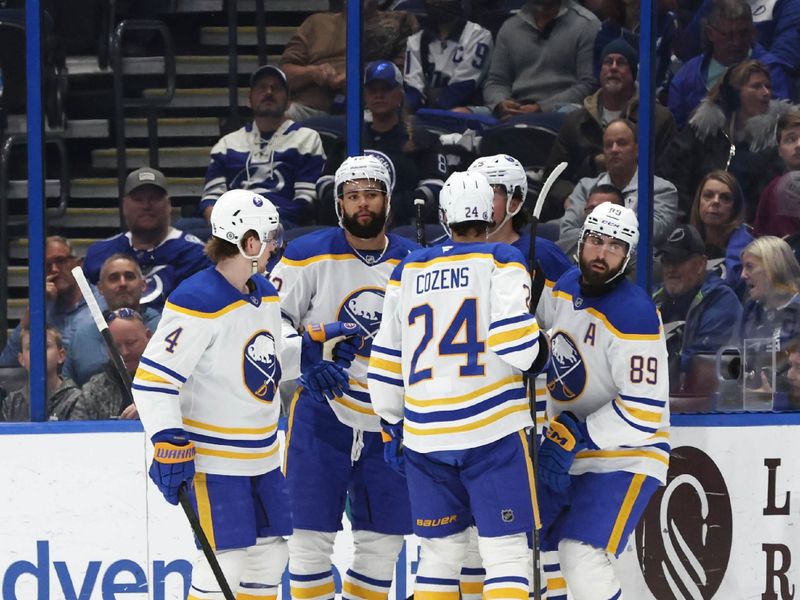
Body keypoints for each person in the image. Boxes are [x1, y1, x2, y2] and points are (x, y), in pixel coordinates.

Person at [133, 188, 351, 598]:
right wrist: (166, 438)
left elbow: (263, 358)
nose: (274, 247)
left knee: (270, 557)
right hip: (217, 459)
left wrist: (310, 350)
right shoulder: (196, 299)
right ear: (249, 242)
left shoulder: (264, 292)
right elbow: (155, 379)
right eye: (269, 238)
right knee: (225, 562)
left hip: (263, 455)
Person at [368, 169, 549, 600]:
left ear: (445, 217)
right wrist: (540, 352)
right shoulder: (502, 259)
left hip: (426, 435)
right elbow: (515, 342)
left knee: (438, 558)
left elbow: (387, 357)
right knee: (504, 555)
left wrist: (392, 421)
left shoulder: (407, 268)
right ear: (489, 214)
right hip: (492, 432)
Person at [270, 155, 417, 600]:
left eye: (371, 194)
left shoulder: (415, 261)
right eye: (352, 196)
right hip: (321, 410)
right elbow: (267, 329)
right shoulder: (305, 254)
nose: (362, 204)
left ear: (388, 201)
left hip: (392, 419)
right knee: (307, 541)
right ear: (339, 204)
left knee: (382, 544)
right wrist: (306, 359)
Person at [538, 202, 669, 599]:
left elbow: (644, 411)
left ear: (628, 256)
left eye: (615, 246)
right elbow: (539, 344)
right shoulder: (561, 288)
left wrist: (579, 435)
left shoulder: (636, 316)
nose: (602, 253)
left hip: (627, 454)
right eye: (596, 241)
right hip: (566, 449)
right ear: (581, 241)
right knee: (540, 552)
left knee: (580, 554)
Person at [544, 38, 676, 217]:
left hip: (638, 210)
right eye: (608, 62)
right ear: (600, 71)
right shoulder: (575, 121)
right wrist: (570, 199)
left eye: (621, 63)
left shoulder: (657, 119)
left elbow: (667, 175)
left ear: (633, 73)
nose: (613, 67)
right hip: (584, 209)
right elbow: (554, 178)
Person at [201, 65, 326, 229]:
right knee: (186, 231)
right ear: (249, 100)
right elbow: (211, 198)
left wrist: (262, 222)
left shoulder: (306, 138)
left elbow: (305, 200)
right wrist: (222, 224)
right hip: (231, 225)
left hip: (282, 224)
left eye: (276, 88)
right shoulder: (226, 144)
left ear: (289, 102)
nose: (268, 92)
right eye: (262, 87)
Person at [665, 60, 791, 220]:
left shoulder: (774, 139)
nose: (766, 93)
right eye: (757, 86)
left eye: (768, 86)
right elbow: (675, 175)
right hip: (694, 224)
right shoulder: (702, 130)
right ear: (734, 94)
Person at [83, 167, 211, 312]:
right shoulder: (99, 254)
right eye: (138, 199)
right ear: (124, 205)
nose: (146, 206)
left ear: (168, 204)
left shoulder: (195, 255)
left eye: (154, 198)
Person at [558, 119, 678, 259]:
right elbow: (567, 233)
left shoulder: (661, 190)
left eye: (622, 143)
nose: (614, 150)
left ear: (637, 150)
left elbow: (651, 234)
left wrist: (595, 233)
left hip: (637, 270)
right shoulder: (585, 187)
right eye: (608, 145)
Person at [280, 0, 418, 120]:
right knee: (282, 116)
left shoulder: (399, 22)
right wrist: (312, 73)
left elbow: (402, 71)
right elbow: (283, 75)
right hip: (311, 108)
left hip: (369, 109)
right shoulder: (316, 23)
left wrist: (357, 76)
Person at [668, 0, 793, 130]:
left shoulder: (772, 70)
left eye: (743, 33)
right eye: (728, 35)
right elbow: (676, 135)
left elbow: (782, 128)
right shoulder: (685, 78)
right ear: (710, 33)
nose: (736, 42)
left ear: (752, 31)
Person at [653, 224, 743, 394]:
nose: (671, 268)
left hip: (703, 406)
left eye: (679, 260)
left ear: (701, 264)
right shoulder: (652, 297)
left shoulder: (720, 300)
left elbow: (701, 363)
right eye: (667, 260)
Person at [483, 0, 600, 119]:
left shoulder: (587, 25)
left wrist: (542, 108)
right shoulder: (510, 27)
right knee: (465, 115)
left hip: (562, 113)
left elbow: (588, 85)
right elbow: (496, 81)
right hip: (514, 111)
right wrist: (501, 102)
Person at [0, 236, 99, 367]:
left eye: (61, 261)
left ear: (78, 264)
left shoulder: (102, 301)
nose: (54, 269)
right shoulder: (41, 309)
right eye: (46, 265)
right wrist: (35, 306)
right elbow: (8, 362)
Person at [64, 254, 161, 386]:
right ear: (100, 288)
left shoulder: (165, 329)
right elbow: (68, 388)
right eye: (114, 278)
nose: (122, 283)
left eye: (129, 277)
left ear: (143, 284)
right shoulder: (81, 337)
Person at [734, 236, 800, 402]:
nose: (743, 275)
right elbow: (736, 363)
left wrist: (774, 399)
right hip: (750, 408)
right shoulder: (749, 311)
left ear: (774, 267)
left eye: (749, 267)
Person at [403, 0, 494, 112]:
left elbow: (465, 85)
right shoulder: (416, 41)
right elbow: (413, 88)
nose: (438, 3)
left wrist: (433, 113)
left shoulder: (478, 36)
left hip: (469, 108)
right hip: (427, 111)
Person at [71, 308, 152, 420]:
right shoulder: (93, 391)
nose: (125, 352)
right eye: (116, 347)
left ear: (148, 336)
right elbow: (77, 432)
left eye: (131, 343)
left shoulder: (171, 379)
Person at [688, 170, 754, 296]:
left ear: (735, 208)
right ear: (698, 202)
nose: (716, 201)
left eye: (725, 198)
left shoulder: (748, 249)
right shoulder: (687, 240)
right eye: (708, 195)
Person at [0, 326, 84, 422]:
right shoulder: (11, 402)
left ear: (61, 356)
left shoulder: (76, 399)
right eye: (30, 347)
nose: (38, 353)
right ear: (21, 359)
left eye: (45, 346)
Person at [753, 110, 800, 237]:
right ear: (779, 150)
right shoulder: (771, 190)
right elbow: (759, 240)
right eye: (790, 140)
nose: (798, 145)